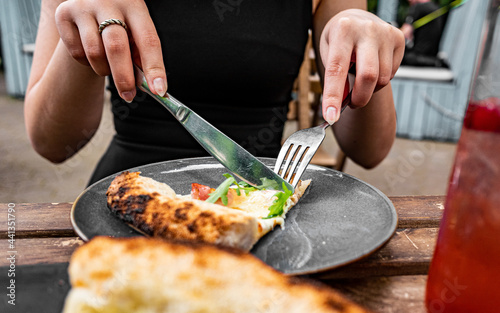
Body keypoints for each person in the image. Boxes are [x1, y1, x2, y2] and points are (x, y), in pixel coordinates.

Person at [24, 0, 405, 185]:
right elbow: (53, 144)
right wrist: (84, 37)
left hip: (261, 198)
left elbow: (368, 150)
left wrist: (364, 35)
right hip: (127, 198)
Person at [400, 0, 447, 67]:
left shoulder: (418, 7)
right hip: (432, 58)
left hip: (417, 57)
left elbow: (404, 34)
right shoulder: (436, 8)